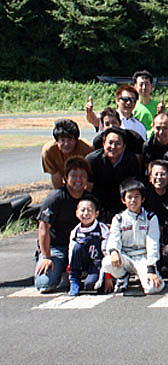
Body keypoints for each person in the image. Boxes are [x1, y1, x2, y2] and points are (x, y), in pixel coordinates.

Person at [34, 157, 90, 292]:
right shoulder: (55, 198)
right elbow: (43, 228)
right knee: (45, 284)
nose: (78, 180)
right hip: (56, 248)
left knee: (93, 281)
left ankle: (72, 272)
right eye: (74, 176)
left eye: (82, 176)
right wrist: (46, 257)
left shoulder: (90, 199)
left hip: (80, 246)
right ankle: (49, 263)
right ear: (65, 178)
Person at [101, 179, 165, 294]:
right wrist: (114, 251)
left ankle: (142, 276)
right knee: (107, 261)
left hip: (143, 258)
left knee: (154, 288)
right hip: (125, 256)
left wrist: (151, 268)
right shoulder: (119, 218)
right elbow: (114, 238)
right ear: (123, 200)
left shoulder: (151, 218)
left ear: (143, 199)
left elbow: (153, 243)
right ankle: (123, 276)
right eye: (129, 197)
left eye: (137, 197)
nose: (133, 200)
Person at [86, 127, 141, 221]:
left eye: (118, 143)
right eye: (110, 143)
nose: (113, 146)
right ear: (104, 143)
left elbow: (133, 188)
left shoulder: (131, 160)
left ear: (124, 146)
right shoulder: (92, 160)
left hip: (122, 203)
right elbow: (88, 188)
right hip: (99, 204)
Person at [67, 195, 110, 296]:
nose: (86, 213)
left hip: (97, 263)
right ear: (77, 213)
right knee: (77, 247)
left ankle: (95, 278)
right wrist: (70, 269)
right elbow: (71, 252)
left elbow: (107, 253)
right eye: (82, 210)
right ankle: (75, 281)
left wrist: (108, 276)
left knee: (90, 285)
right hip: (81, 262)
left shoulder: (102, 229)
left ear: (96, 214)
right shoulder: (75, 231)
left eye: (90, 210)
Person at [41, 118, 92, 188]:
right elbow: (55, 175)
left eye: (70, 139)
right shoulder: (48, 151)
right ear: (56, 140)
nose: (66, 144)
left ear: (76, 140)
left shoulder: (87, 149)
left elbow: (90, 177)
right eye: (62, 140)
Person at [143, 160, 168, 230]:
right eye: (156, 174)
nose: (159, 177)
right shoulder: (144, 194)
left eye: (163, 174)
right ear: (150, 178)